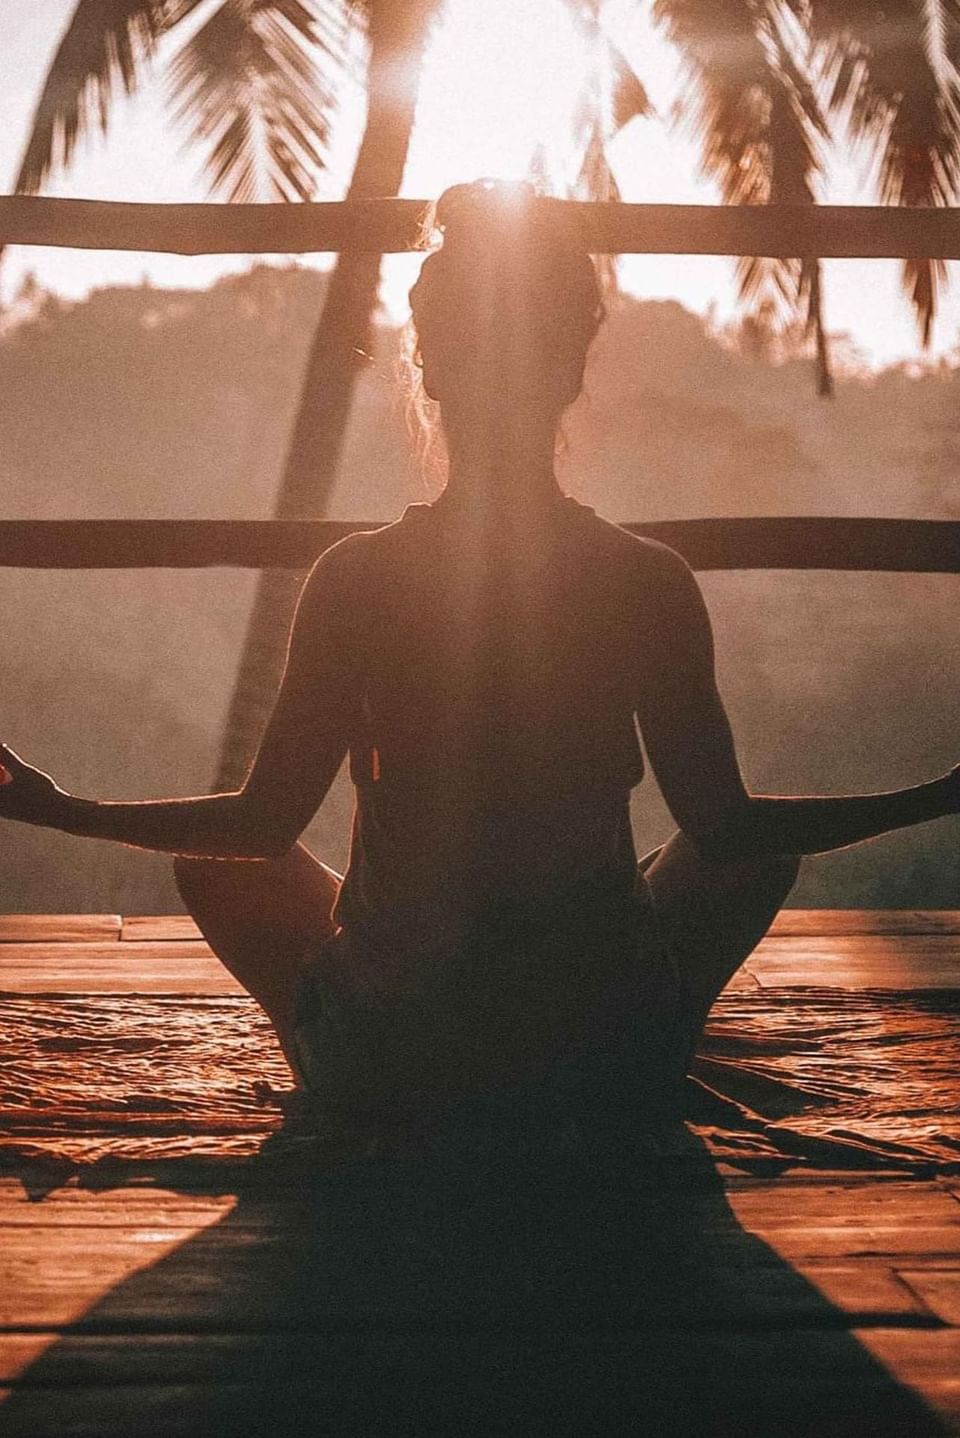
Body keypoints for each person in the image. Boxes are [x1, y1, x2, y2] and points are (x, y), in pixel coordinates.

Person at [1, 180, 957, 1138]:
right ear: (574, 368)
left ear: (429, 366)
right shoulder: (644, 578)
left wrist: (65, 810)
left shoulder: (357, 578)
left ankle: (360, 1048)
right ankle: (641, 1042)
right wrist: (936, 797)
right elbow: (728, 826)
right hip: (600, 1043)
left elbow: (258, 825)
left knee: (218, 871)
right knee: (751, 853)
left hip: (396, 1057)